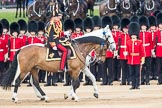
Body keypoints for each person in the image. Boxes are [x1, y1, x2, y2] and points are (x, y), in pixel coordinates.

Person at [126, 22, 145, 89]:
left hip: (137, 59)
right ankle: (133, 85)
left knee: (137, 73)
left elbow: (142, 52)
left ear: (136, 35)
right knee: (132, 73)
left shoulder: (139, 42)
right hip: (131, 60)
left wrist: (142, 60)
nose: (133, 36)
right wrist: (126, 54)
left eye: (134, 34)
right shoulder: (128, 42)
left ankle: (137, 85)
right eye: (132, 34)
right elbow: (127, 51)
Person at [139, 15, 152, 85]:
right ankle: (142, 80)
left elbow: (151, 43)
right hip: (141, 53)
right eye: (142, 26)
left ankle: (147, 80)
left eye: (145, 26)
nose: (143, 27)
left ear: (146, 26)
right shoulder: (139, 33)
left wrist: (152, 51)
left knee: (148, 66)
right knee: (142, 67)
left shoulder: (149, 33)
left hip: (148, 52)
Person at [101, 15, 114, 85]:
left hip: (110, 53)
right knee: (103, 68)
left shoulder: (111, 34)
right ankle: (104, 80)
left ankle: (110, 80)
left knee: (110, 68)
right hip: (103, 53)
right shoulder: (102, 35)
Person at [119, 18, 131, 85]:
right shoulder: (120, 35)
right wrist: (118, 53)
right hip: (122, 53)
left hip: (128, 53)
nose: (125, 30)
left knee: (129, 68)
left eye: (126, 29)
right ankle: (123, 81)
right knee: (123, 68)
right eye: (124, 28)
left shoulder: (130, 35)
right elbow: (119, 45)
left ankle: (129, 80)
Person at [111, 15, 121, 82]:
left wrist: (118, 50)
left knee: (119, 64)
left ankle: (118, 76)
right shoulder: (111, 33)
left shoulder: (120, 33)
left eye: (116, 26)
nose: (115, 27)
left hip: (119, 48)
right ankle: (113, 76)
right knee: (112, 64)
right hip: (113, 49)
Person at [148, 15, 158, 80]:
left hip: (156, 49)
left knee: (156, 62)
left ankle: (156, 74)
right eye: (151, 26)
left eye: (153, 26)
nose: (152, 27)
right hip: (149, 49)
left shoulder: (157, 33)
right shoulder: (148, 33)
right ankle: (151, 74)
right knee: (150, 63)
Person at [155, 12, 162, 84]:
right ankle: (160, 80)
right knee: (159, 67)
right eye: (160, 24)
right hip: (159, 50)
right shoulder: (156, 32)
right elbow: (155, 42)